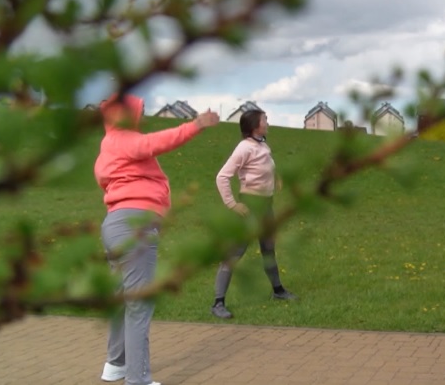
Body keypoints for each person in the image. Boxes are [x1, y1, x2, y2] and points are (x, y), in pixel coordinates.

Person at [94, 94, 220, 385]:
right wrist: (196, 125)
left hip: (117, 224)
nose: (142, 114)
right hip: (134, 224)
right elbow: (152, 143)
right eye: (139, 110)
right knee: (139, 304)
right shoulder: (123, 139)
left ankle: (116, 364)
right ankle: (137, 379)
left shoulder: (108, 146)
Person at [211, 109, 295, 319]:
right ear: (254, 125)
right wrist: (232, 204)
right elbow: (222, 177)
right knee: (234, 254)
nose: (267, 122)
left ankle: (278, 291)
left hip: (266, 206)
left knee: (268, 249)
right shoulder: (244, 148)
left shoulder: (262, 145)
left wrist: (276, 177)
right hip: (249, 208)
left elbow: (264, 166)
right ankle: (218, 303)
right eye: (264, 119)